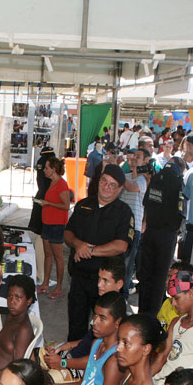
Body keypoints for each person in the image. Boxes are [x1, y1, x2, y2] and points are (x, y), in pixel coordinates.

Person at [64, 164, 134, 341]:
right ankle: (72, 363)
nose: (106, 187)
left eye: (112, 185)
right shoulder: (83, 205)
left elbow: (121, 245)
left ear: (119, 190)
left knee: (103, 330)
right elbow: (67, 233)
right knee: (76, 325)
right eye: (104, 181)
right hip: (79, 277)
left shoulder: (124, 212)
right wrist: (77, 244)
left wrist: (90, 251)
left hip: (105, 283)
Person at [57, 292, 125, 385]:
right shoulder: (97, 344)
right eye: (95, 316)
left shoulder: (114, 360)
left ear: (117, 322)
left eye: (102, 318)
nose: (94, 322)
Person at [43, 257, 126, 383]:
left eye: (105, 281)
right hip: (72, 357)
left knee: (45, 381)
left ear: (119, 284)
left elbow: (97, 359)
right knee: (37, 356)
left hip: (82, 369)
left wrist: (63, 362)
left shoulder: (117, 315)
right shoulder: (101, 304)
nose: (99, 284)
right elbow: (89, 340)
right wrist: (66, 346)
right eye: (99, 278)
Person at [137, 158, 187, 315]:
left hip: (150, 232)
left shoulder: (157, 178)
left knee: (146, 275)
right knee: (159, 277)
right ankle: (153, 314)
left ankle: (142, 312)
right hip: (166, 235)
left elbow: (146, 202)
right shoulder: (178, 182)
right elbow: (180, 209)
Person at [37, 156, 70, 300]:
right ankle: (45, 283)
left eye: (47, 168)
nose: (44, 170)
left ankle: (58, 287)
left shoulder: (62, 185)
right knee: (48, 254)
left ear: (54, 170)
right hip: (47, 223)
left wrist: (48, 204)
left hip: (57, 225)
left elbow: (66, 206)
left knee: (58, 257)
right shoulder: (51, 183)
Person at [120, 149, 151, 298]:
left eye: (137, 157)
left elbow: (131, 187)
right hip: (120, 225)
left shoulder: (143, 180)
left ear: (145, 161)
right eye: (132, 157)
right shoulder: (124, 176)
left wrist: (116, 172)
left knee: (127, 264)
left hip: (134, 228)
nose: (133, 160)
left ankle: (123, 296)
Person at [29, 146, 57, 281]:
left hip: (40, 198)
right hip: (45, 200)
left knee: (41, 237)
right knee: (42, 237)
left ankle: (40, 273)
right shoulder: (47, 164)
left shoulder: (40, 162)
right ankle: (40, 274)